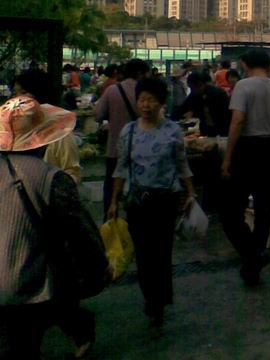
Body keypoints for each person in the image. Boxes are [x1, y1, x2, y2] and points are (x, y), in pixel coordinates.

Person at [0, 95, 108, 359]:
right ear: (42, 138)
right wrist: (99, 268)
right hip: (29, 286)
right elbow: (80, 232)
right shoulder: (53, 179)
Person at [107, 77, 195, 326]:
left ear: (160, 102)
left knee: (161, 253)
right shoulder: (129, 131)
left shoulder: (173, 131)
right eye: (142, 99)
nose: (145, 105)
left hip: (165, 202)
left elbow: (182, 165)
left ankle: (159, 302)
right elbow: (120, 167)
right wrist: (114, 200)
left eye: (151, 100)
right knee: (143, 255)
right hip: (137, 201)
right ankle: (151, 297)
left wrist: (191, 193)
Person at [221, 49, 270, 285]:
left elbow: (238, 121)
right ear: (269, 64)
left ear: (244, 64)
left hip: (248, 148)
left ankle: (250, 255)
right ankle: (255, 259)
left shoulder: (243, 86)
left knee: (231, 212)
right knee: (263, 210)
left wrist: (228, 157)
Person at [95, 58, 149, 215]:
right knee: (138, 191)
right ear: (140, 73)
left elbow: (98, 115)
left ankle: (110, 224)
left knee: (112, 190)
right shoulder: (146, 94)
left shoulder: (112, 90)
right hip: (141, 150)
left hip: (115, 150)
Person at [12, 69, 82, 183]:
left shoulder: (61, 134)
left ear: (40, 94)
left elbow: (72, 173)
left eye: (23, 92)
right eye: (15, 93)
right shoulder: (13, 129)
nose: (17, 99)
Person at [178, 72, 231, 137]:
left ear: (201, 84)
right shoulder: (194, 95)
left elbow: (227, 115)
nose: (193, 91)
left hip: (222, 130)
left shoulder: (218, 94)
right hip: (206, 131)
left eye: (193, 88)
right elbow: (182, 109)